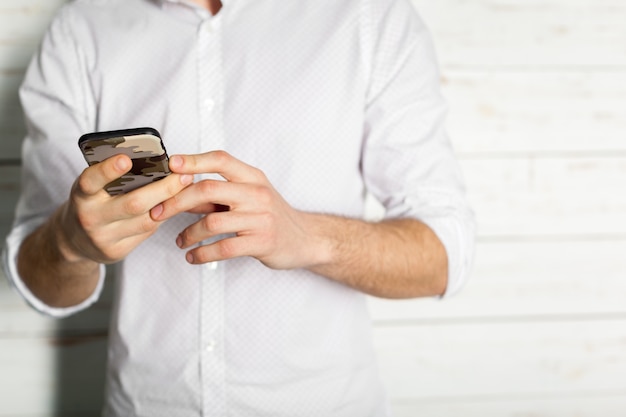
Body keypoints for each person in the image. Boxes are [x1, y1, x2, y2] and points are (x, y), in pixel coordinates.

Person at [2, 0, 475, 415]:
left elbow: (444, 255)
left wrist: (306, 236)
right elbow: (40, 282)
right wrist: (69, 242)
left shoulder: (370, 17)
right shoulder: (82, 28)